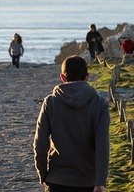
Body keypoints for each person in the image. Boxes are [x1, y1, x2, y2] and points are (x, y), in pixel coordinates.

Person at [33, 56, 109, 192]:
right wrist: (100, 181)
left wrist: (43, 174)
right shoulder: (100, 104)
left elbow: (40, 144)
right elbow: (102, 145)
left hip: (57, 179)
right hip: (88, 181)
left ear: (62, 77)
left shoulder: (50, 103)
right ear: (87, 76)